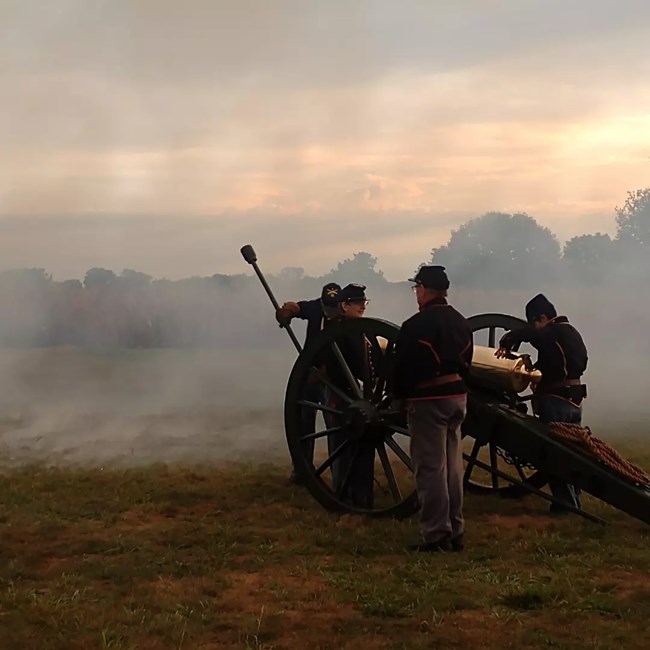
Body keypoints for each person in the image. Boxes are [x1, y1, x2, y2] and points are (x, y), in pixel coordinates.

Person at [391, 266, 473, 552]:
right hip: (457, 398)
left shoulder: (416, 325)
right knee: (452, 467)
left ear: (424, 290)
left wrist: (397, 397)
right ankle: (456, 529)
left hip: (429, 401)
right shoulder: (462, 323)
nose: (416, 294)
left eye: (417, 289)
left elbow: (402, 368)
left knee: (430, 468)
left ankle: (437, 534)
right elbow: (468, 364)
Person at [495, 293, 588, 515]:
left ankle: (565, 505)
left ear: (543, 318)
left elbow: (531, 334)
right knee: (572, 452)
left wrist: (508, 340)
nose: (535, 327)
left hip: (556, 400)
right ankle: (573, 499)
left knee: (555, 454)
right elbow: (560, 360)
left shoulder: (553, 331)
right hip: (574, 398)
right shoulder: (571, 332)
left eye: (535, 322)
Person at [276, 282, 342, 484]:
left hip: (333, 378)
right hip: (308, 375)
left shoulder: (345, 316)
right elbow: (295, 307)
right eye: (327, 307)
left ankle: (339, 475)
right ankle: (302, 471)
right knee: (303, 424)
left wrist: (323, 373)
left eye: (334, 307)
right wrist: (285, 312)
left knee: (335, 427)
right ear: (322, 302)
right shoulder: (314, 308)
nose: (330, 312)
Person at [322, 283, 376, 508]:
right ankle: (343, 492)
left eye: (364, 302)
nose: (362, 306)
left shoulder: (361, 329)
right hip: (343, 396)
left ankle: (362, 494)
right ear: (344, 306)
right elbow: (334, 365)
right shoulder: (335, 331)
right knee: (342, 446)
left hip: (364, 397)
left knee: (364, 447)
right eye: (357, 303)